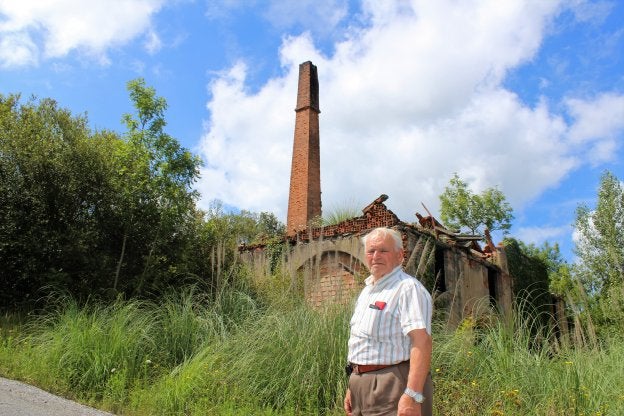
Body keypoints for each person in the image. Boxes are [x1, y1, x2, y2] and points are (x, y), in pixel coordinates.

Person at [344, 227, 433, 416]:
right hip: (361, 384)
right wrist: (353, 385)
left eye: (383, 250)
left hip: (392, 384)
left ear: (400, 255)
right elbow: (363, 342)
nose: (376, 256)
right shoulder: (367, 291)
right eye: (371, 251)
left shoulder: (407, 289)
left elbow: (422, 342)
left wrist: (413, 395)